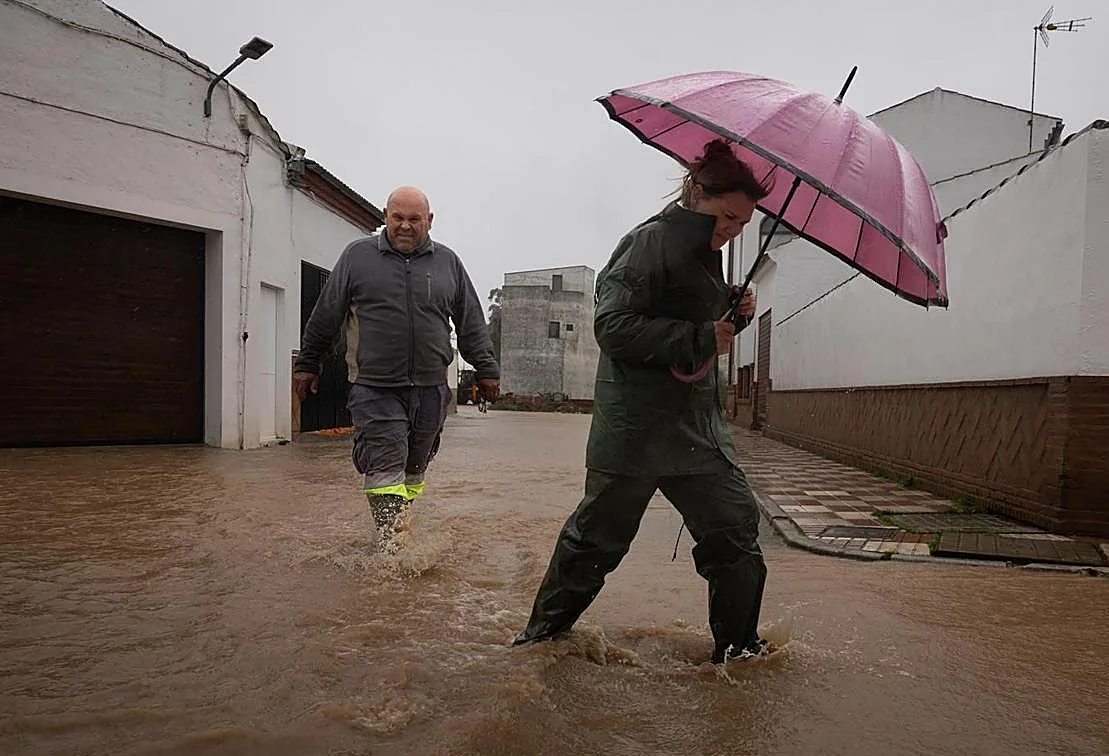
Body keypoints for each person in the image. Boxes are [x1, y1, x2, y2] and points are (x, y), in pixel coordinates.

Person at [512, 140, 770, 664]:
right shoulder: (648, 243)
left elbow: (693, 325)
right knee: (596, 542)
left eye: (743, 224)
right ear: (696, 193)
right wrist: (702, 336)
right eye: (727, 216)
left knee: (735, 529)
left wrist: (733, 312)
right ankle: (539, 644)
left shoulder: (706, 257)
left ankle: (741, 653)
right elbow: (613, 326)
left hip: (695, 431)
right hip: (634, 431)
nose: (732, 230)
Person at [294, 186, 500, 551]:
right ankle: (393, 554)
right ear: (385, 216)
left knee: (413, 470)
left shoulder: (448, 263)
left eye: (414, 219)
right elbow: (327, 316)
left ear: (429, 221)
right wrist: (309, 363)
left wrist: (486, 370)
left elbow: (470, 321)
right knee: (385, 465)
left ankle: (397, 526)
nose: (404, 226)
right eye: (397, 218)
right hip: (374, 387)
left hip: (431, 389)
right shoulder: (358, 257)